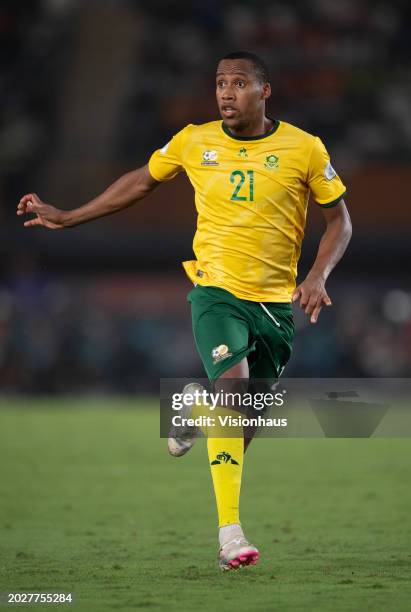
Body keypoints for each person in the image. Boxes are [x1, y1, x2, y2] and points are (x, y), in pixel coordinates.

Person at [17, 50, 352, 571]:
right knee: (235, 389)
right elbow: (141, 180)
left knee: (245, 422)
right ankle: (230, 534)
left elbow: (340, 222)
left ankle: (193, 408)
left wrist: (316, 276)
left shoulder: (304, 148)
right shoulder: (194, 140)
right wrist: (68, 217)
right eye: (220, 82)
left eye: (239, 83)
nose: (225, 92)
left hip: (275, 304)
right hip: (215, 290)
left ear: (265, 92)